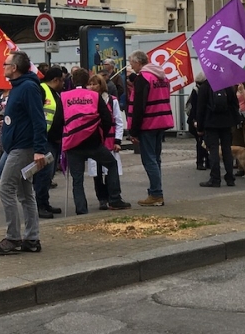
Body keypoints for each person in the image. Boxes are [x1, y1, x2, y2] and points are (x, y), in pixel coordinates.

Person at [0, 50, 48, 255]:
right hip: (16, 146)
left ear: (14, 68)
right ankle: (32, 239)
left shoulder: (28, 88)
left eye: (6, 64)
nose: (3, 67)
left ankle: (13, 237)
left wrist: (39, 150)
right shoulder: (17, 87)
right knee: (25, 194)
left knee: (5, 188)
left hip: (23, 148)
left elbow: (38, 120)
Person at [61, 66, 131, 216]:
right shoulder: (94, 96)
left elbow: (60, 120)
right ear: (87, 81)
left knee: (77, 178)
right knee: (111, 164)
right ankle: (114, 199)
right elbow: (107, 118)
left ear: (72, 81)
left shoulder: (64, 96)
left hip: (72, 142)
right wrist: (101, 135)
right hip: (92, 141)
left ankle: (81, 209)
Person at [125, 50, 173, 206]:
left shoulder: (143, 78)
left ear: (138, 62)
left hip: (148, 123)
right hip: (162, 120)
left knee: (149, 159)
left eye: (131, 62)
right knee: (156, 158)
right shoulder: (162, 77)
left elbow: (139, 106)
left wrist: (133, 131)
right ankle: (156, 191)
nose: (131, 65)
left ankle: (156, 194)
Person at [196, 74, 240, 187]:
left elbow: (200, 108)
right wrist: (235, 121)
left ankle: (215, 178)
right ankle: (230, 178)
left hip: (211, 123)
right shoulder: (227, 85)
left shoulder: (205, 87)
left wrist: (200, 127)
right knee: (227, 150)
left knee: (213, 151)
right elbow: (235, 105)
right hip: (226, 123)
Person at [35, 66, 65, 219]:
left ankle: (45, 203)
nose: (63, 84)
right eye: (62, 80)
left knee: (49, 174)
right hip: (44, 139)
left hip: (53, 140)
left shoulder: (54, 93)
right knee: (44, 174)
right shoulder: (42, 90)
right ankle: (40, 205)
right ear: (55, 80)